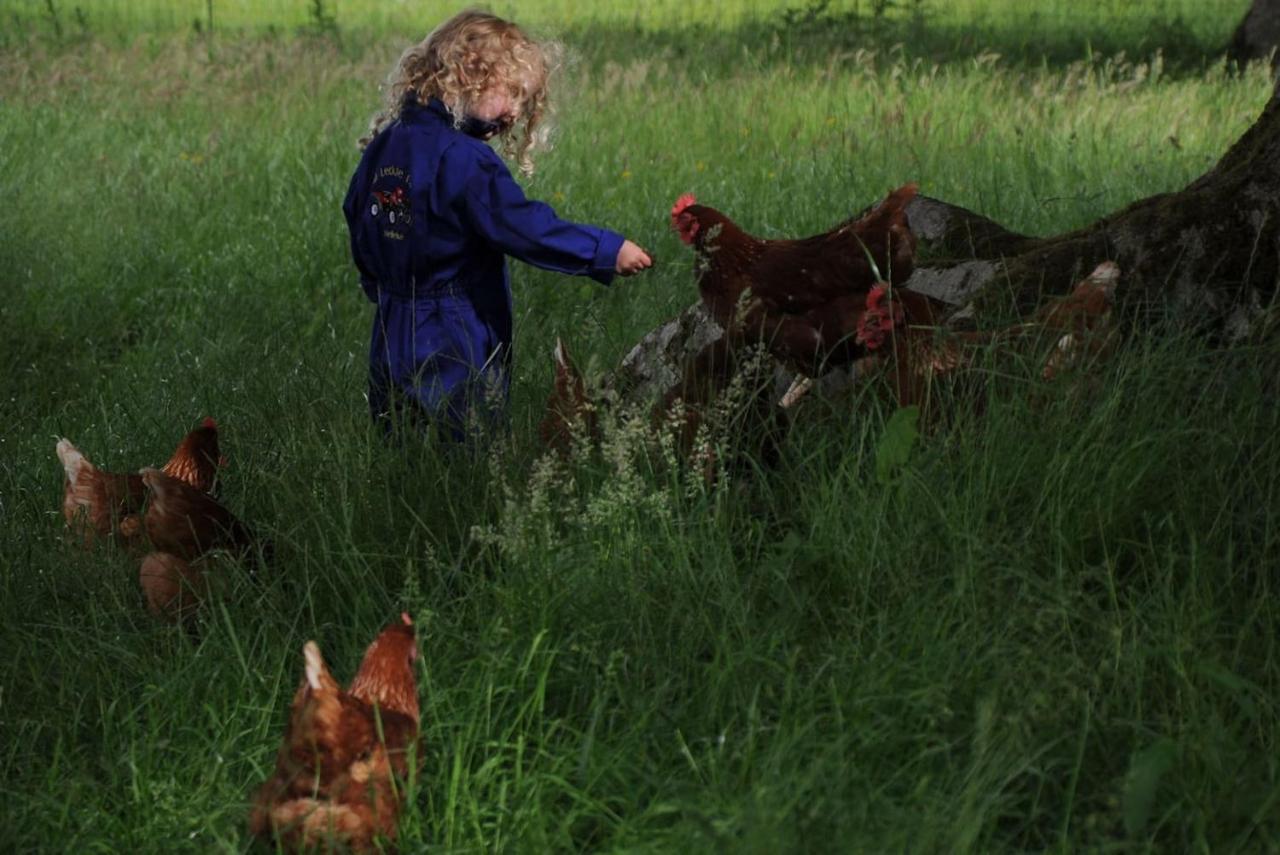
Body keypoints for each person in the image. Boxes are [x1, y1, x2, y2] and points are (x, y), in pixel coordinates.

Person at [342, 10, 652, 440]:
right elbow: (524, 228)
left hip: (391, 322)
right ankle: (468, 505)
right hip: (453, 326)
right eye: (512, 93)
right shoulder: (466, 160)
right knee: (467, 445)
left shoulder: (387, 142)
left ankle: (404, 497)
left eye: (524, 103)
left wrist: (375, 282)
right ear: (470, 73)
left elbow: (360, 215)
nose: (514, 113)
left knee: (400, 440)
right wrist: (604, 250)